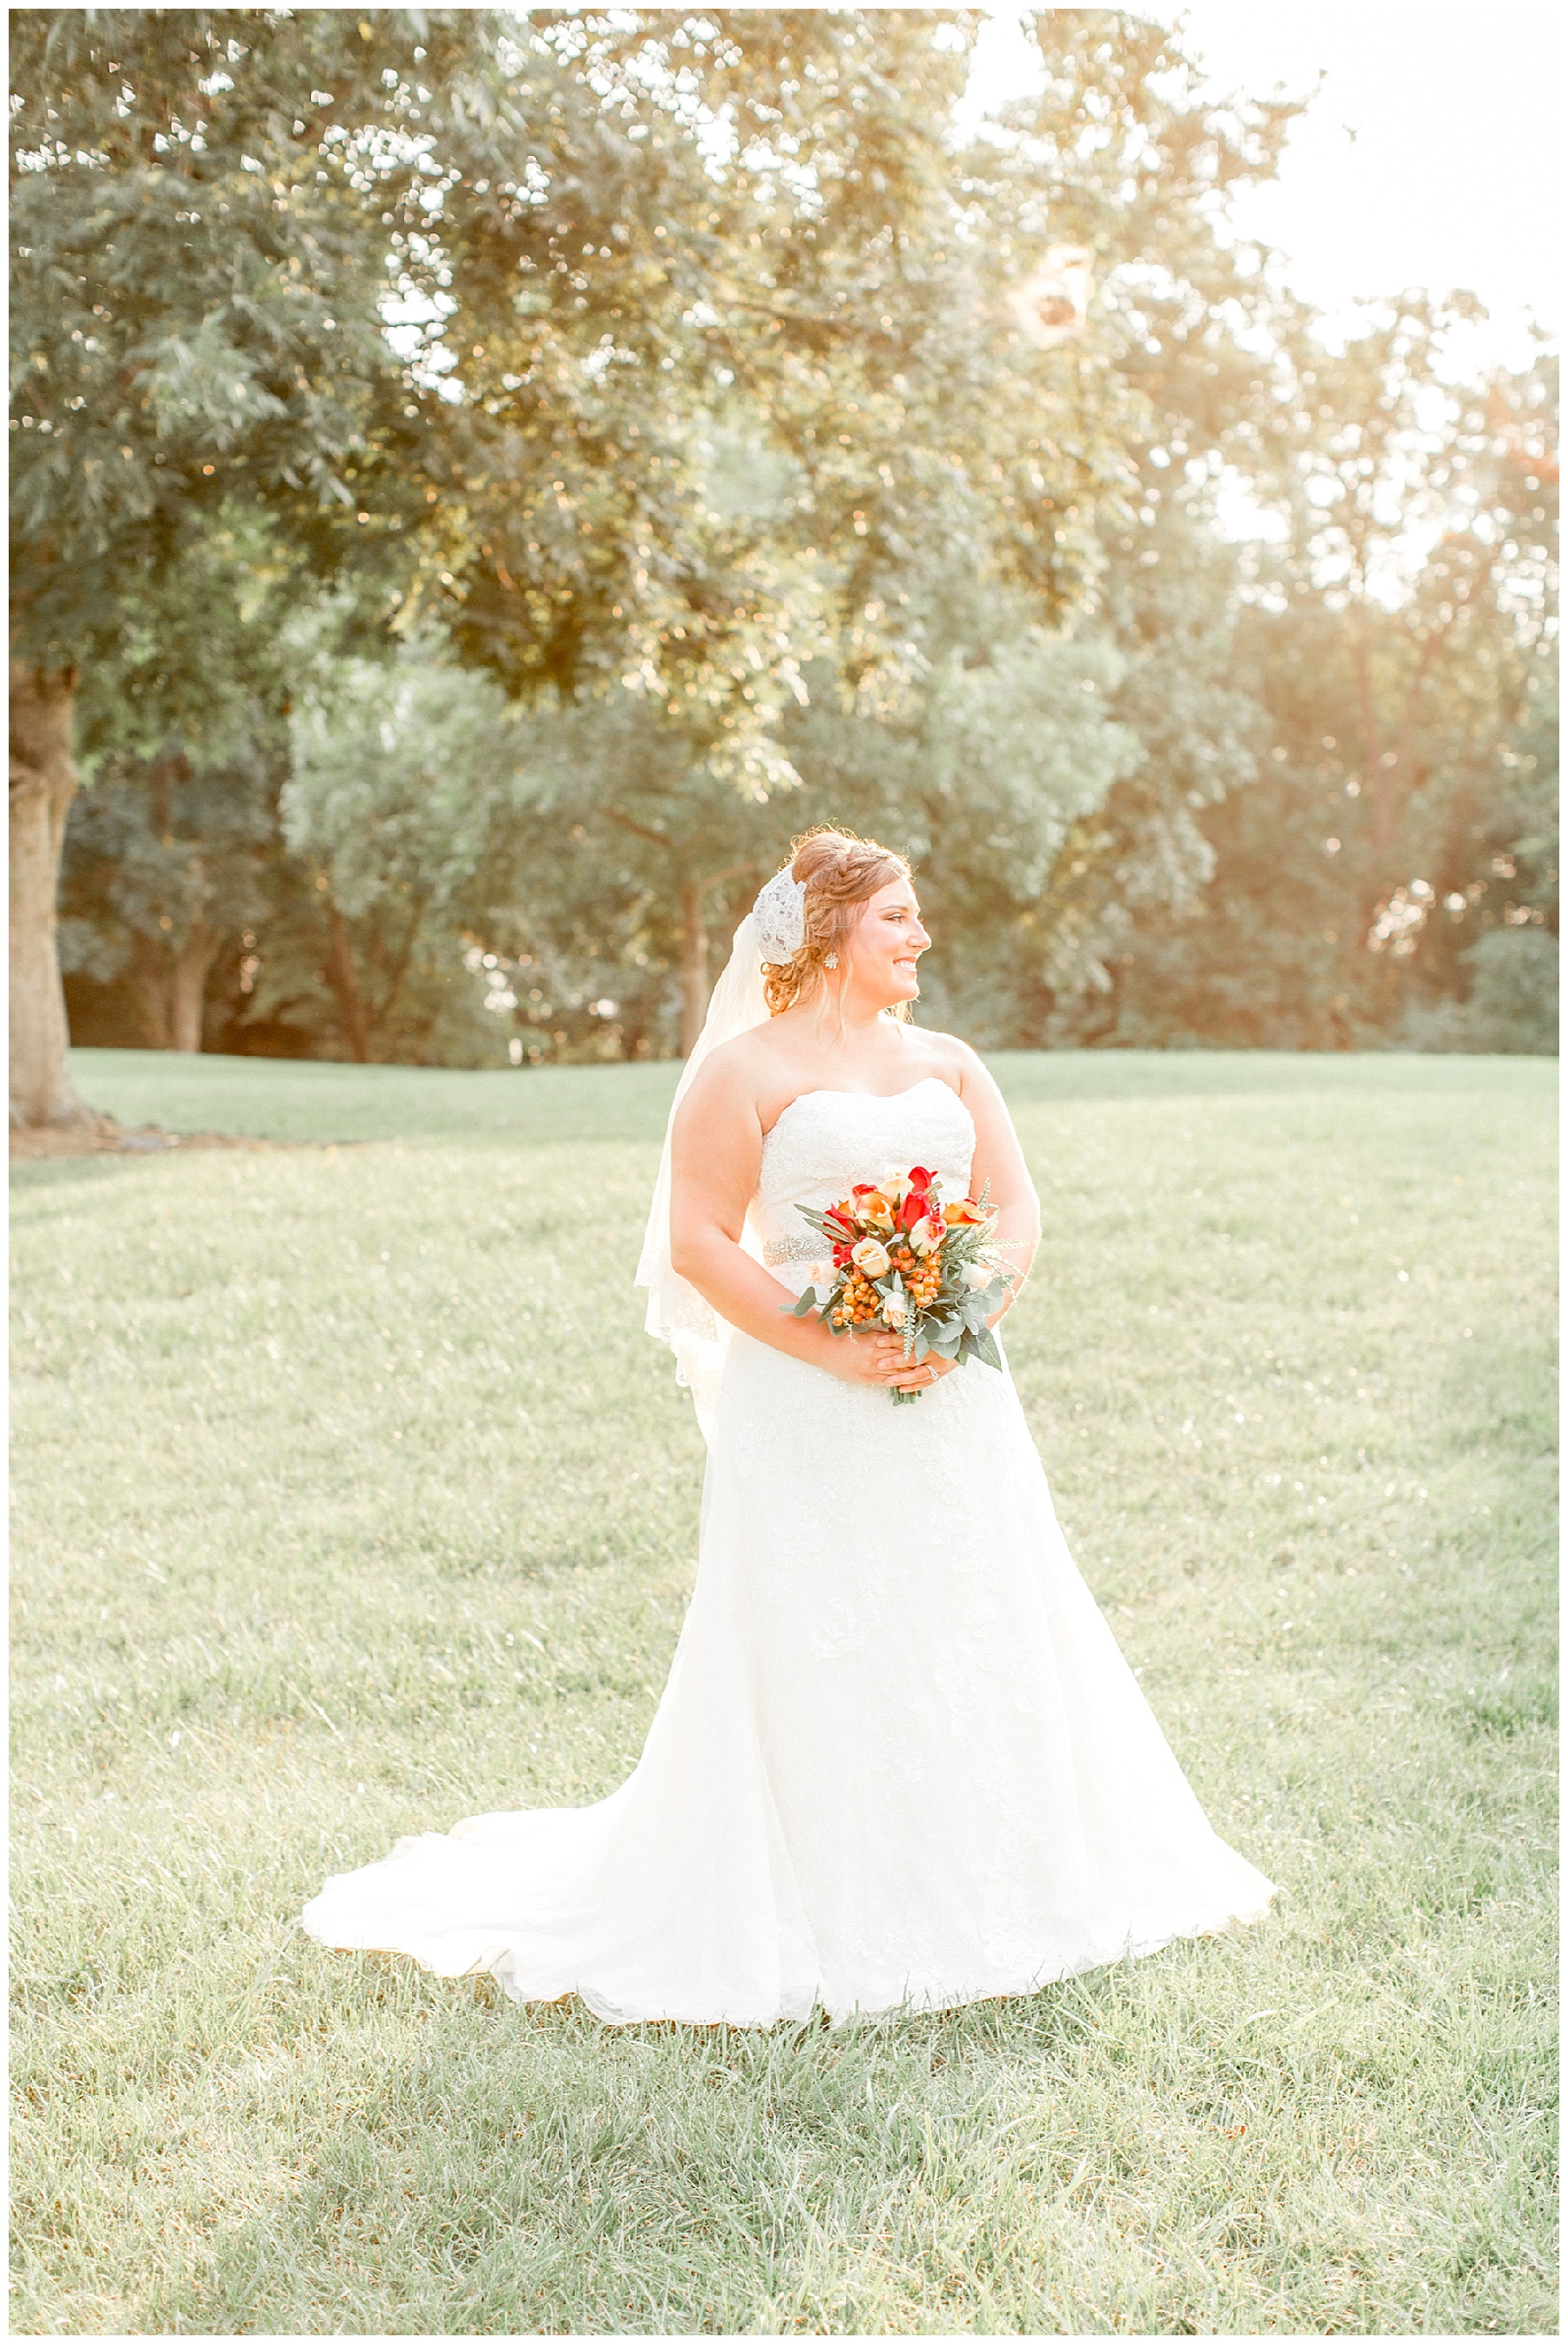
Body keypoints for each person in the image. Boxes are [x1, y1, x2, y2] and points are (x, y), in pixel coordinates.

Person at [302, 829, 1274, 2023]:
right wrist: (829, 1343)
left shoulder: (956, 1064)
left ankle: (1000, 1880)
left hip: (951, 1388)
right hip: (804, 1398)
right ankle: (828, 1893)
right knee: (823, 1624)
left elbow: (1015, 1203)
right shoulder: (743, 1073)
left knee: (969, 1611)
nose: (919, 936)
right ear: (829, 934)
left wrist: (966, 1307)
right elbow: (701, 1238)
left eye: (917, 917)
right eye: (897, 918)